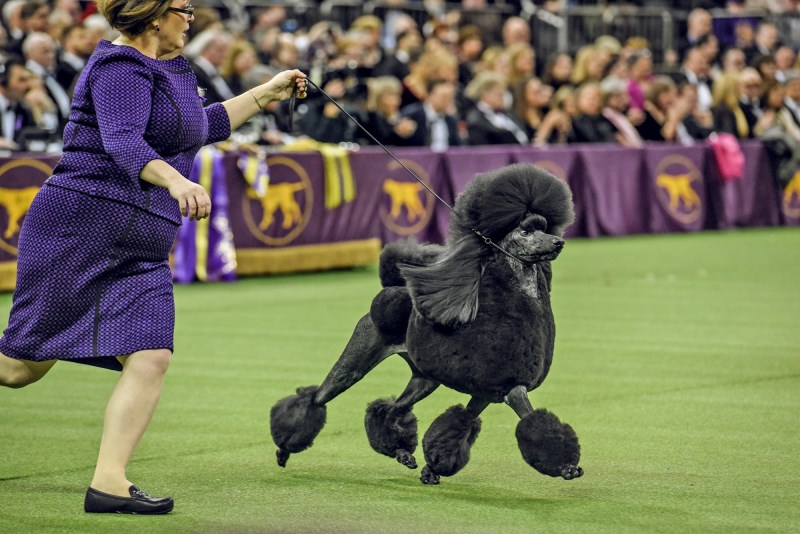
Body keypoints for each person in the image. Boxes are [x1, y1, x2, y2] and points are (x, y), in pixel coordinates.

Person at [0, 0, 307, 516]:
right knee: (19, 369)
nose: (193, 18)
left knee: (151, 356)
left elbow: (196, 128)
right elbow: (123, 142)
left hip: (140, 248)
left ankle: (108, 483)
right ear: (155, 15)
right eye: (185, 9)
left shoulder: (167, 71)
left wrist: (265, 93)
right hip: (79, 231)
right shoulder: (120, 66)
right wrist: (177, 178)